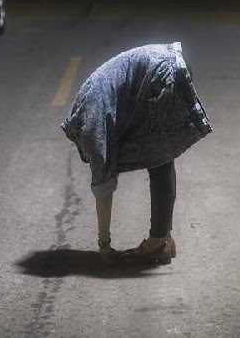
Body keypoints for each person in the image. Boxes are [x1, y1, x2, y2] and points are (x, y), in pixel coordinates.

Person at [61, 42, 212, 265]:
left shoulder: (92, 128)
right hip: (173, 61)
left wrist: (104, 244)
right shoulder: (88, 103)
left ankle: (158, 242)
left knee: (158, 155)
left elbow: (103, 184)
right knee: (160, 155)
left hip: (161, 75)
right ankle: (163, 237)